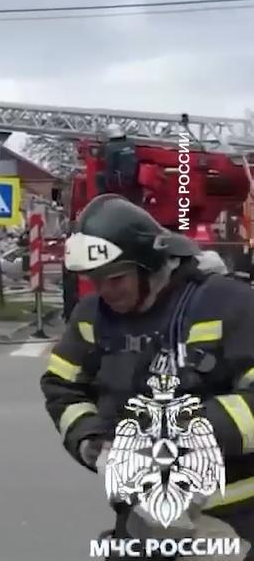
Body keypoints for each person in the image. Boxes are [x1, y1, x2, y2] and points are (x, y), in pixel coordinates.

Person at [41, 193, 254, 559]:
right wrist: (93, 444)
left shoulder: (227, 303)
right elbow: (62, 387)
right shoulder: (94, 316)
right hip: (142, 516)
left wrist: (185, 436)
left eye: (116, 278)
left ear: (150, 265)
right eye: (95, 280)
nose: (105, 291)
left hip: (233, 514)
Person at [98, 124, 142, 204]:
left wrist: (110, 184)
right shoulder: (131, 144)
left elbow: (110, 166)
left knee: (99, 176)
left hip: (120, 181)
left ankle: (102, 201)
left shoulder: (110, 147)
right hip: (134, 179)